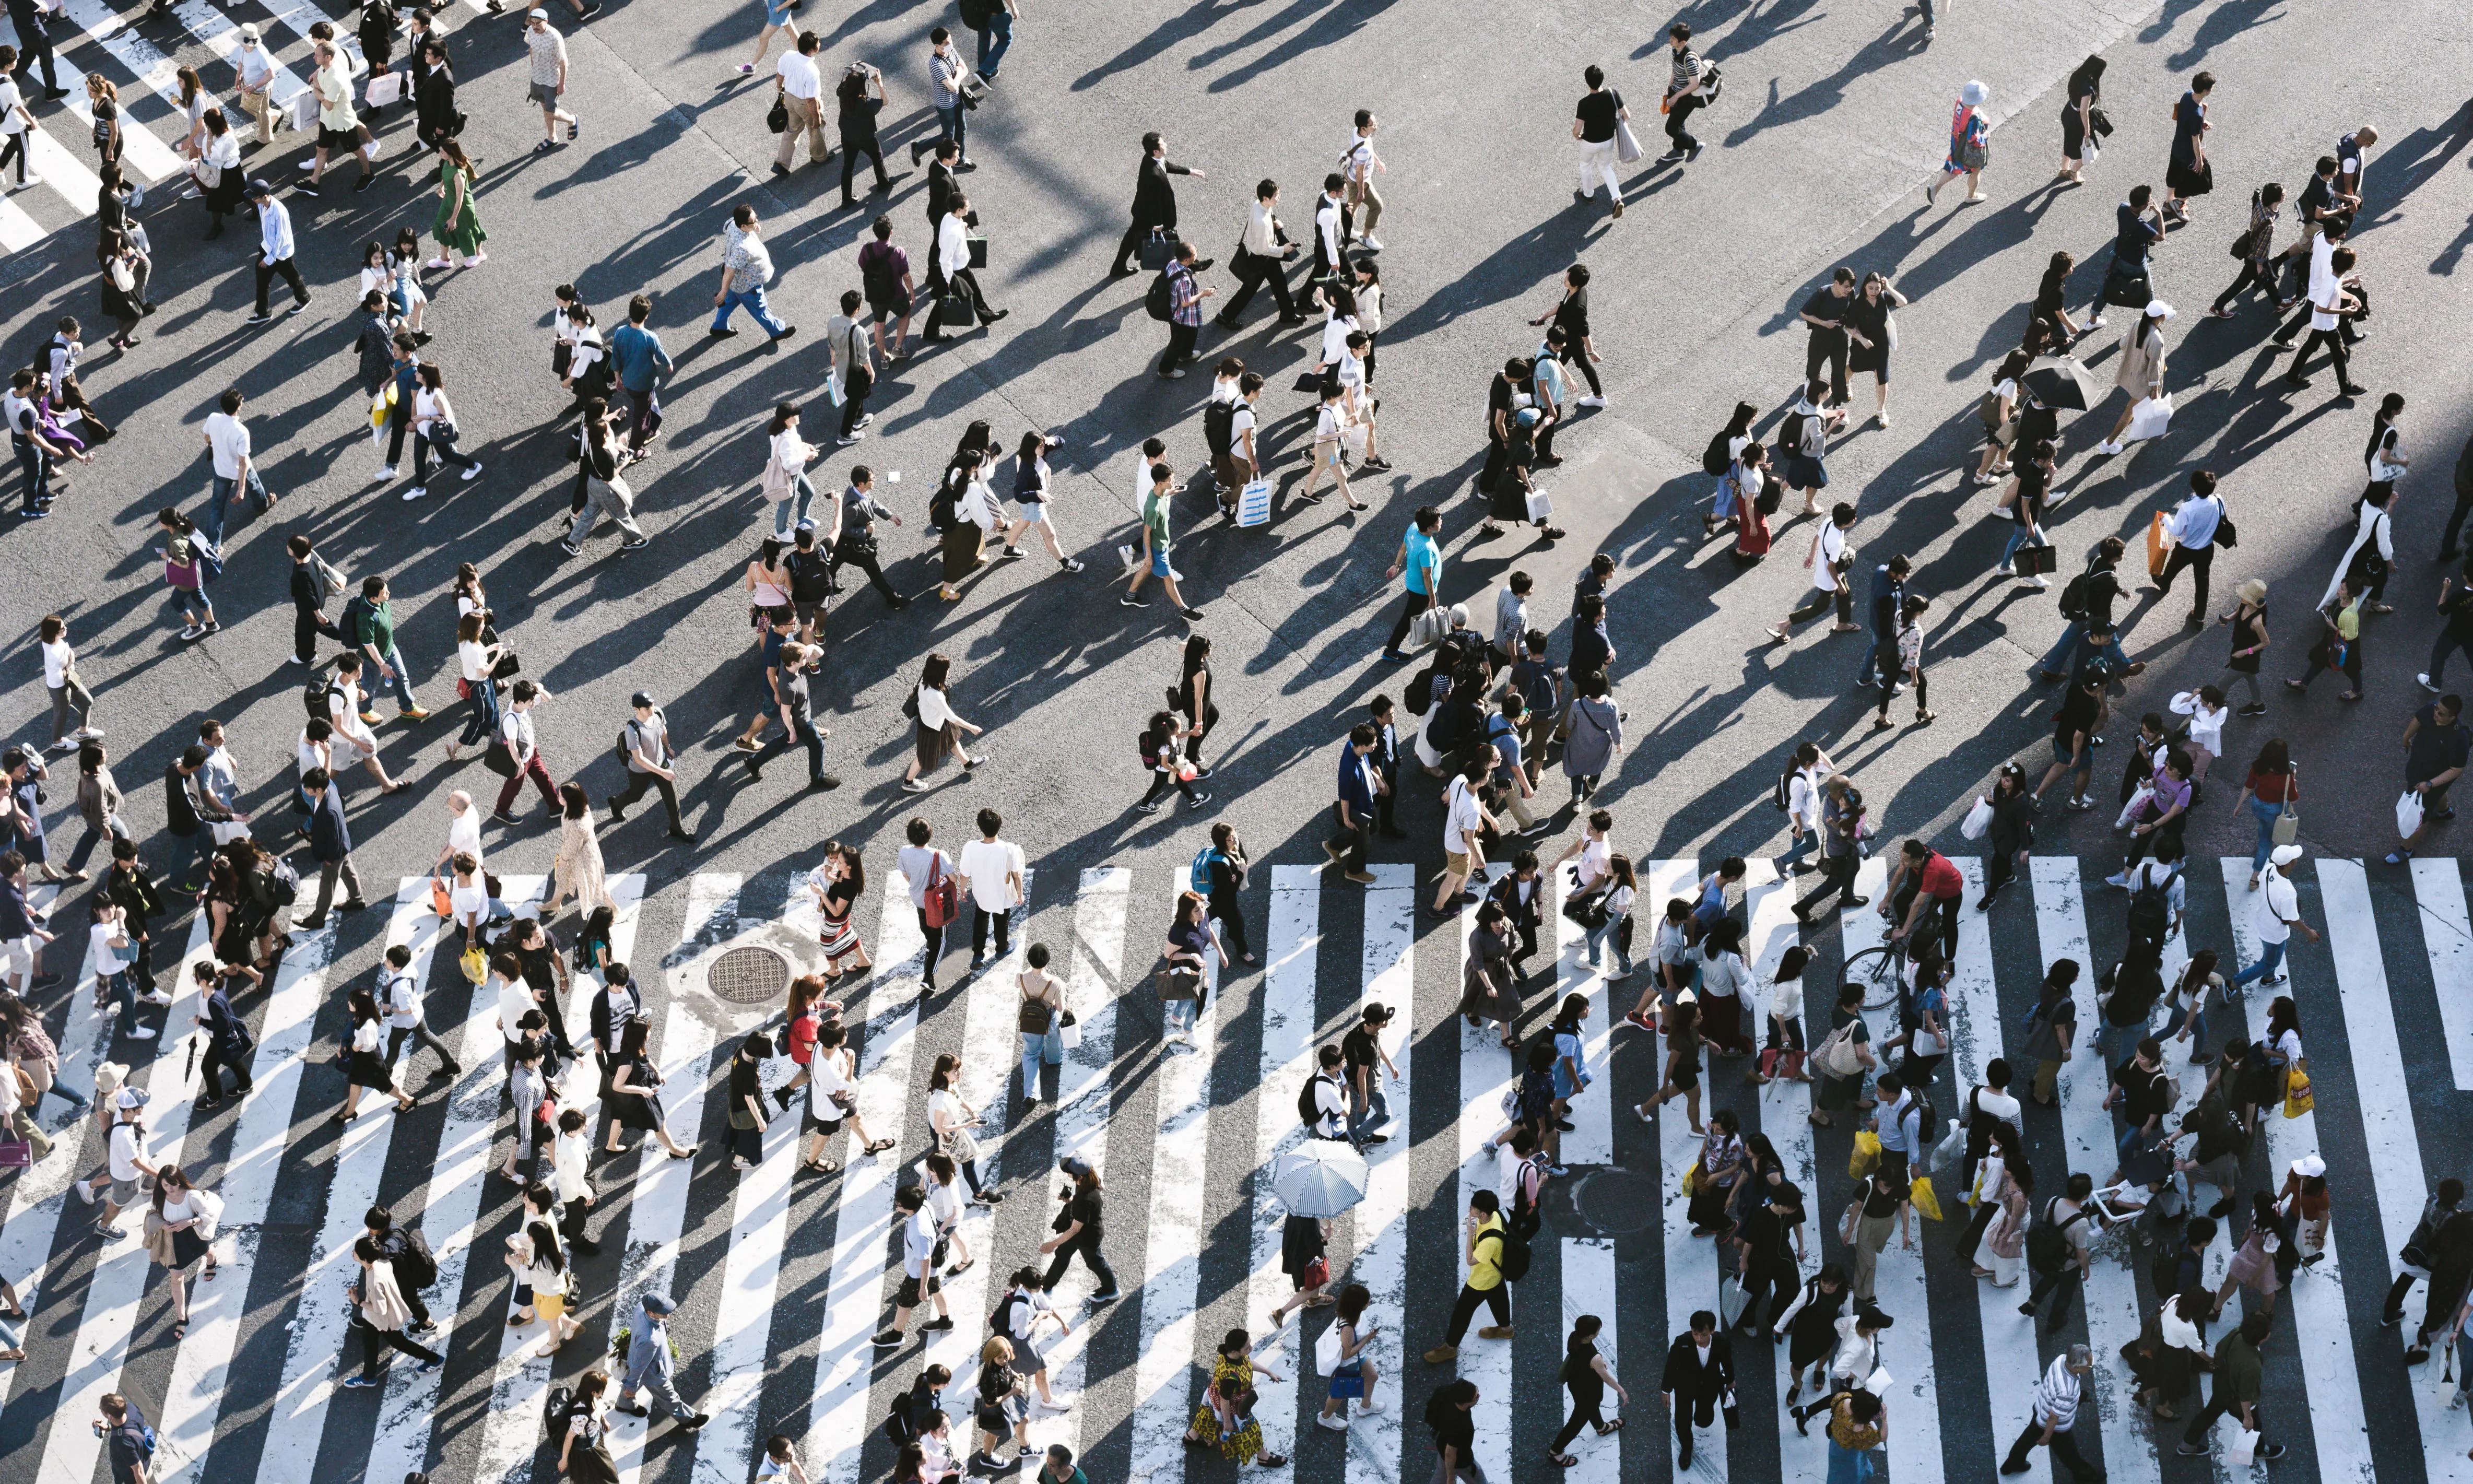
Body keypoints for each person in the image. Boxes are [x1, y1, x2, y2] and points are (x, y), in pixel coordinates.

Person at [1422, 1189, 1513, 1363]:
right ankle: (1506, 1330)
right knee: (1499, 1300)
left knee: (1461, 1313)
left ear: (1483, 1214)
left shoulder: (1489, 1242)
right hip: (1496, 1273)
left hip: (1481, 1280)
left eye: (1473, 1208)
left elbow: (1471, 1260)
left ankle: (1450, 1348)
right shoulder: (1495, 1216)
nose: (1470, 1210)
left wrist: (1470, 1233)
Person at [2389, 692, 2471, 863]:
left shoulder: (2459, 739)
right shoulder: (2431, 710)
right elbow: (2418, 720)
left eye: (2441, 713)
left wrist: (2430, 783)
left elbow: (2456, 770)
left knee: (2418, 814)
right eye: (2436, 708)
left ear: (2453, 717)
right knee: (2437, 795)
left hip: (2432, 779)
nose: (2436, 714)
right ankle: (2443, 811)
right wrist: (2406, 737)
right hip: (2418, 769)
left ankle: (2406, 849)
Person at [1111, 131, 1204, 278]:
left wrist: (1189, 172)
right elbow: (1154, 202)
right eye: (1163, 144)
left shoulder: (1150, 159)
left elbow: (1165, 165)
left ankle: (1118, 267)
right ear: (1156, 151)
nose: (1166, 144)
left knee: (1132, 237)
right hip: (1149, 215)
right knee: (1168, 240)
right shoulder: (1154, 175)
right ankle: (1187, 265)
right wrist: (1158, 223)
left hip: (1142, 211)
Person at [1999, 1346, 2099, 1478]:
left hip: (2041, 1408)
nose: (2090, 1368)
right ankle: (2086, 1476)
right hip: (2056, 1428)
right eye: (2089, 1366)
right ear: (2076, 1367)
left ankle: (2012, 1464)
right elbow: (2054, 1416)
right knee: (2069, 1454)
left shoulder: (2061, 1360)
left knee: (2027, 1439)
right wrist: (2047, 1437)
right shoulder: (2067, 1391)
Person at [616, 1292, 709, 1429]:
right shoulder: (650, 1340)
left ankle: (624, 1405)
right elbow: (640, 1367)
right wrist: (631, 1386)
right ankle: (688, 1419)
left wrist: (631, 1385)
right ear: (650, 1313)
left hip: (638, 1357)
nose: (667, 1315)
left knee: (632, 1381)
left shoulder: (640, 1309)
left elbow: (637, 1365)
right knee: (668, 1397)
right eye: (662, 1312)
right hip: (654, 1373)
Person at [1659, 1310, 1737, 1471]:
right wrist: (1666, 1390)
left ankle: (1702, 1418)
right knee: (1682, 1420)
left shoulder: (1721, 1342)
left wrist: (1730, 1380)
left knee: (1704, 1419)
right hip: (1684, 1388)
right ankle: (1687, 1448)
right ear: (1692, 1330)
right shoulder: (1682, 1342)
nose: (1699, 1339)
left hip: (1710, 1387)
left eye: (1704, 1334)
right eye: (1696, 1334)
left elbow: (1727, 1362)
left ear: (1712, 1331)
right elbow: (1671, 1366)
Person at [609, 692, 692, 840]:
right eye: (646, 708)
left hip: (661, 763)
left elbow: (663, 733)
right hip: (641, 771)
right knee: (635, 796)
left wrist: (668, 748)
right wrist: (662, 772)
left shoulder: (658, 713)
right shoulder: (632, 730)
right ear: (637, 709)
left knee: (672, 798)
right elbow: (639, 759)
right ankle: (616, 804)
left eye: (652, 705)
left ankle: (676, 828)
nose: (651, 709)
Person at [712, 204, 795, 341]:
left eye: (756, 217)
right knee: (760, 309)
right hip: (747, 285)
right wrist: (723, 291)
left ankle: (719, 326)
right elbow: (730, 270)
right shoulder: (742, 249)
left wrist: (754, 227)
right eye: (754, 221)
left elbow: (727, 225)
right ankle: (777, 331)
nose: (757, 221)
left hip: (736, 283)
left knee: (727, 303)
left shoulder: (734, 224)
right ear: (744, 226)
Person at [243, 180, 311, 322]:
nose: (252, 200)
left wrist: (269, 259)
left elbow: (281, 239)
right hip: (268, 248)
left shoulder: (279, 212)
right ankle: (263, 312)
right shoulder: (263, 205)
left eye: (254, 197)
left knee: (292, 278)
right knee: (263, 281)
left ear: (265, 196)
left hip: (280, 254)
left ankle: (304, 299)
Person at [1317, 1283, 1379, 1433]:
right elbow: (1346, 1354)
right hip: (1349, 1364)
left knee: (1372, 1377)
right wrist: (1367, 1339)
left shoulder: (1356, 1315)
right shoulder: (1348, 1328)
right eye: (1367, 1301)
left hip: (1360, 1357)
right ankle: (1325, 1417)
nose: (1369, 1302)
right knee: (1338, 1395)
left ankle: (1366, 1406)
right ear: (1359, 1305)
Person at [1571, 65, 1628, 219]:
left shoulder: (1584, 103)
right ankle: (1617, 199)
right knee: (1605, 167)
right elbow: (1626, 115)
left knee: (1585, 165)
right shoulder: (1612, 94)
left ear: (1587, 82)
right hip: (1608, 140)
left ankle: (1588, 194)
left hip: (1590, 142)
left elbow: (1578, 128)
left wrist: (1577, 135)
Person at [771, 31, 828, 175]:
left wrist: (780, 90)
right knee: (815, 128)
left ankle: (781, 164)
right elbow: (811, 100)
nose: (820, 44)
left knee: (792, 129)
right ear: (811, 50)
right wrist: (816, 118)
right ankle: (819, 157)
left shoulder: (788, 55)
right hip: (804, 104)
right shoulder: (812, 71)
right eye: (818, 44)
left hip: (789, 98)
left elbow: (780, 76)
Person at [522, 9, 578, 150]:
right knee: (545, 108)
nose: (535, 26)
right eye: (533, 23)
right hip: (537, 78)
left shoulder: (555, 37)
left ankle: (572, 120)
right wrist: (533, 65)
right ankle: (552, 137)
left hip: (552, 81)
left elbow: (564, 62)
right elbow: (531, 49)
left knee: (550, 112)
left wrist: (562, 84)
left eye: (538, 23)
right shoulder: (530, 31)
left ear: (546, 22)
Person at [2162, 72, 2215, 221]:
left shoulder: (2187, 95)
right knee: (2200, 179)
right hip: (2188, 153)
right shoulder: (2197, 114)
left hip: (2177, 146)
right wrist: (2199, 160)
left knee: (2173, 176)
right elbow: (2195, 140)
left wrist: (2200, 124)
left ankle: (2168, 203)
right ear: (2205, 91)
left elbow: (2185, 117)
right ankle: (2178, 203)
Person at [1928, 80, 1991, 206]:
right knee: (1976, 170)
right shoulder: (1974, 118)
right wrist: (1985, 136)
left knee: (1954, 169)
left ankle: (1935, 189)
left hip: (1957, 142)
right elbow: (1975, 140)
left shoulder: (1960, 102)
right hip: (1969, 150)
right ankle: (1971, 196)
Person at [2057, 55, 2102, 184]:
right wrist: (2087, 131)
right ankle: (2073, 172)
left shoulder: (2077, 76)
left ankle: (2064, 169)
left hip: (2069, 113)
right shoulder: (2088, 89)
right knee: (2089, 147)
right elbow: (2084, 112)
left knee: (2069, 142)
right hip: (2078, 120)